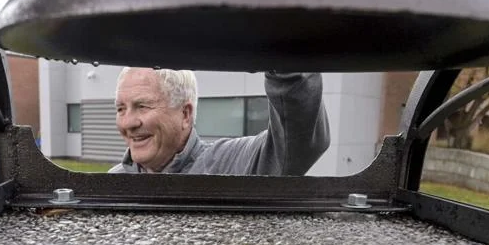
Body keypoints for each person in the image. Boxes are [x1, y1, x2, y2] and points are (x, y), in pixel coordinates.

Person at [109, 68, 330, 175]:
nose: (127, 123)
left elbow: (296, 144)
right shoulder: (113, 182)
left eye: (142, 106)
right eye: (121, 109)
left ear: (185, 114)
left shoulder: (231, 164)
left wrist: (285, 56)